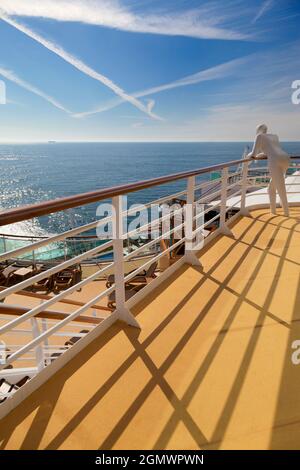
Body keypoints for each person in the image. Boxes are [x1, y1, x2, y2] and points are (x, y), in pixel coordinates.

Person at [247, 124, 290, 217]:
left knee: (281, 188)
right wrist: (262, 155)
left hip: (275, 160)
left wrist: (248, 159)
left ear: (258, 130)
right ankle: (273, 211)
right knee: (271, 188)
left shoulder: (259, 136)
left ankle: (287, 213)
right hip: (285, 158)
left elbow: (254, 154)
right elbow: (272, 150)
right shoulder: (275, 136)